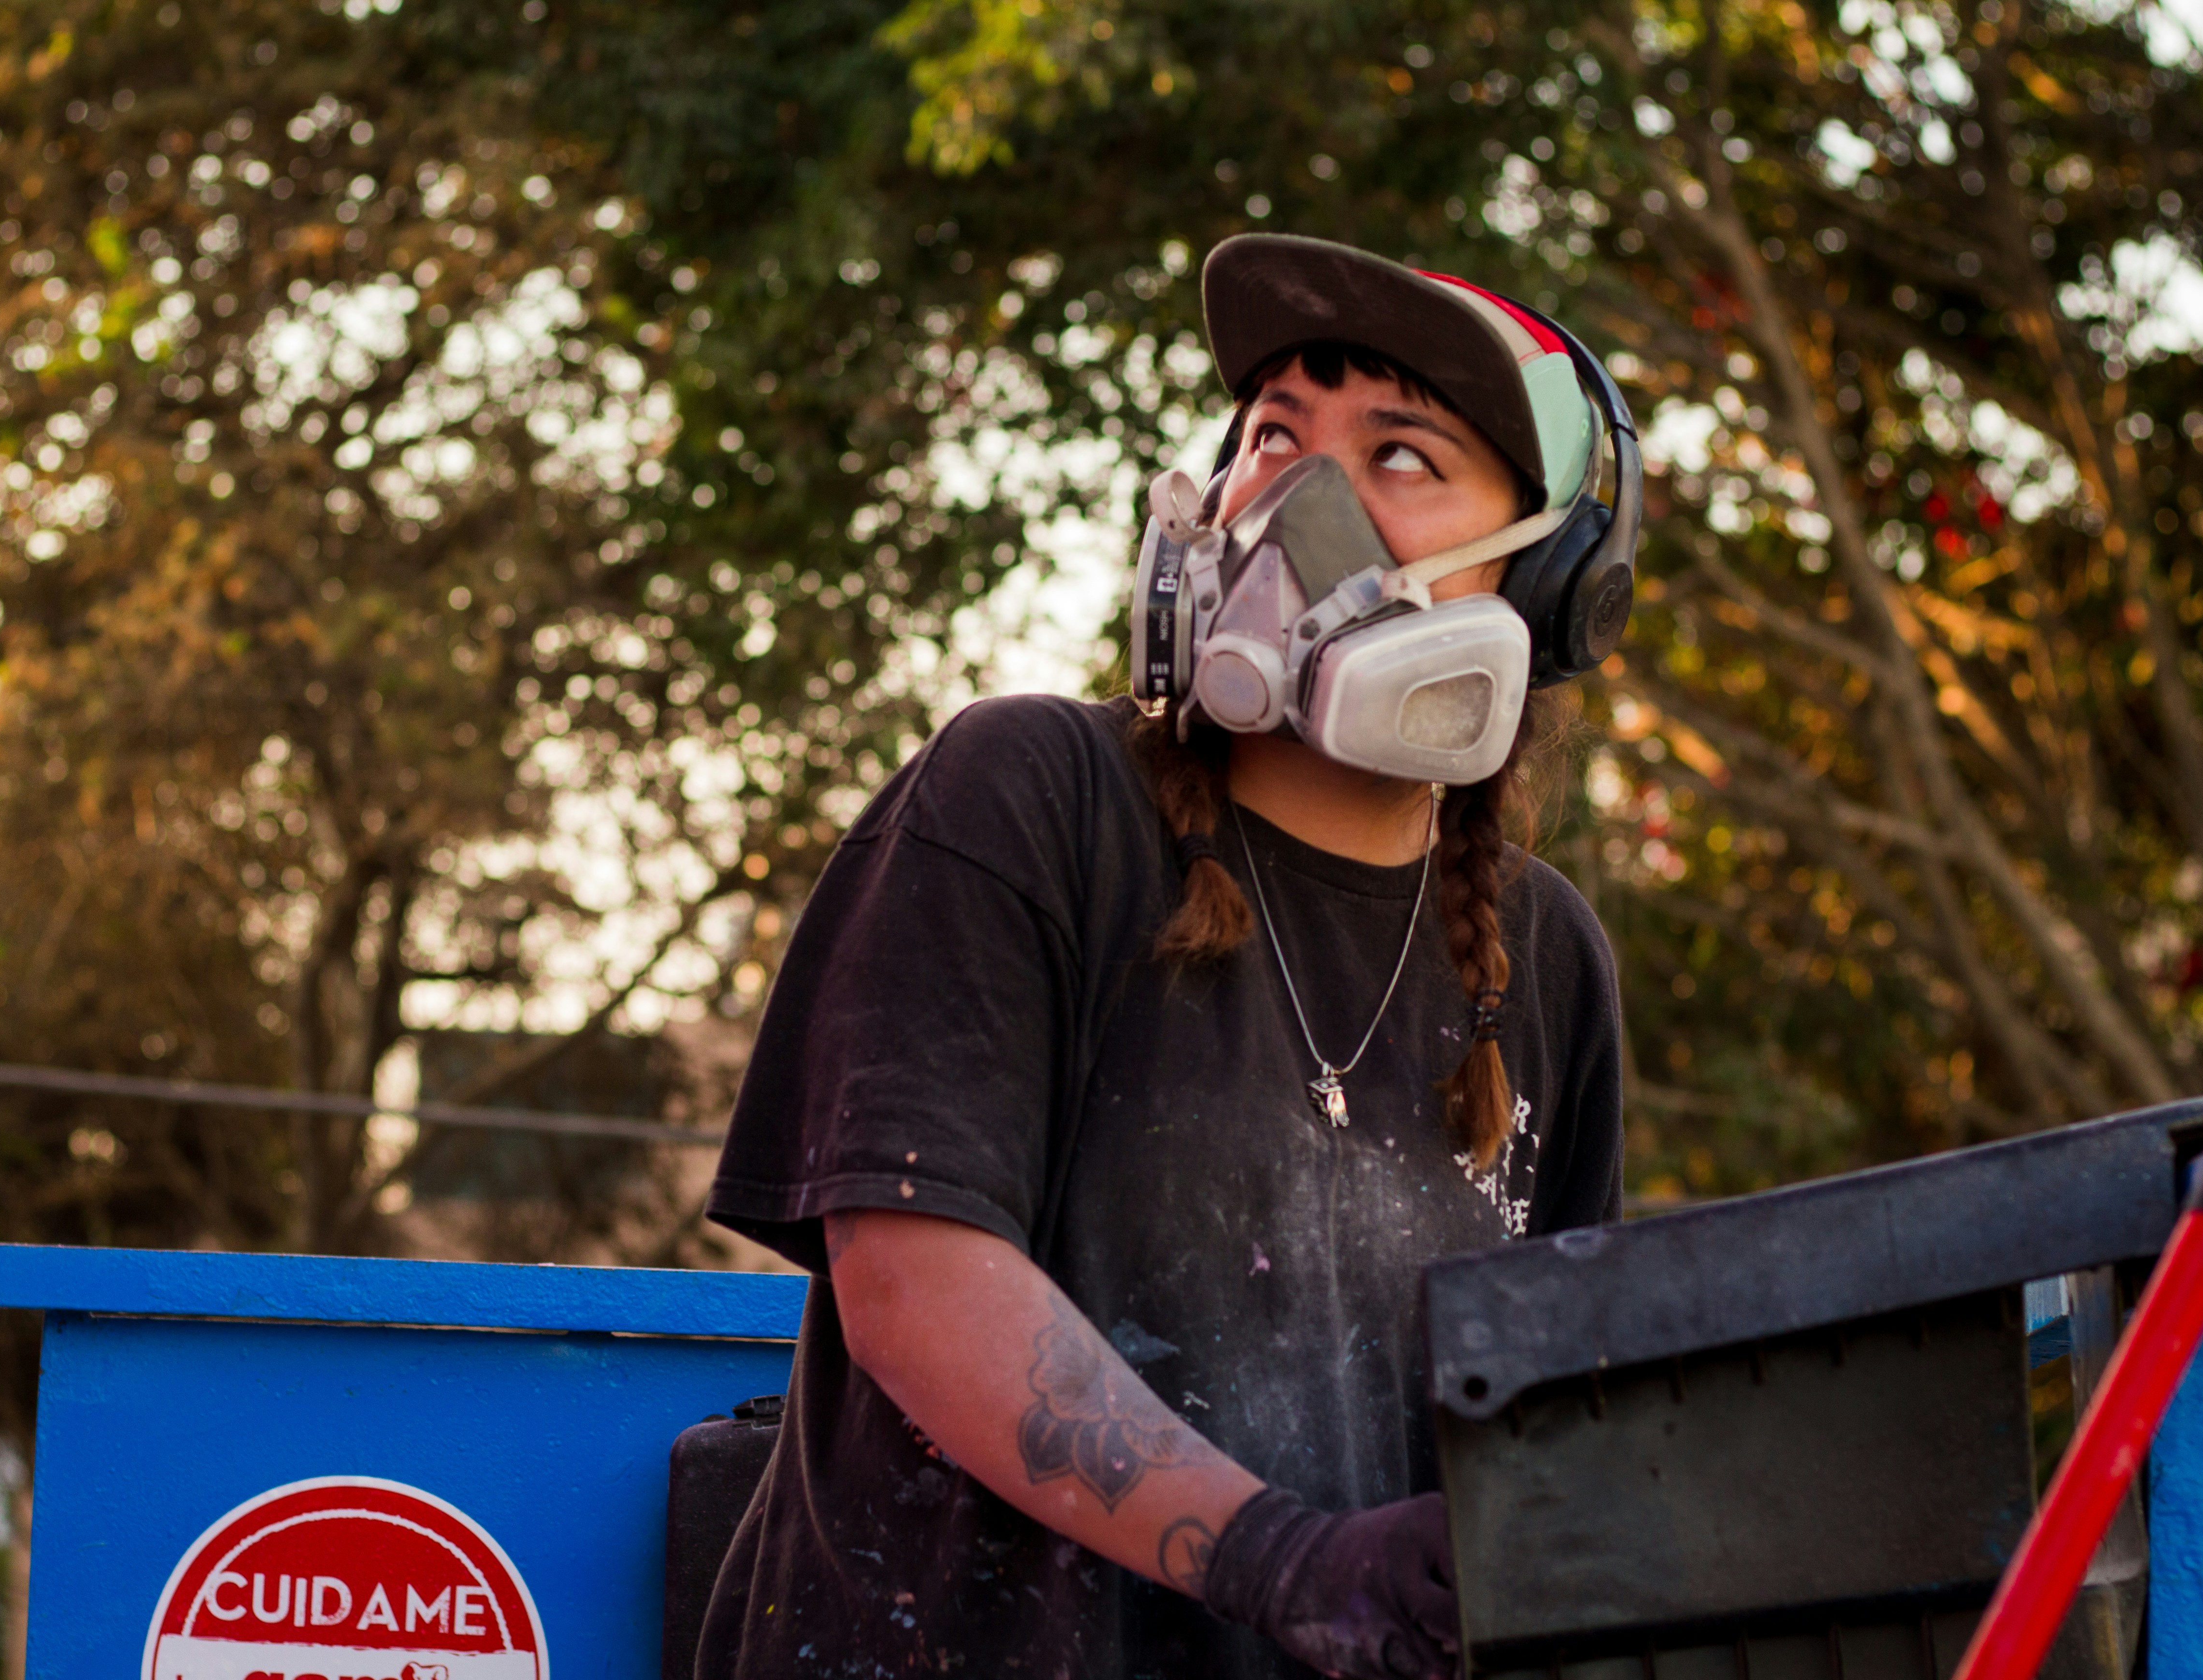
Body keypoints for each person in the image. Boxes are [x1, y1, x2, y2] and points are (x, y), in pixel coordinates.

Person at [694, 233, 1632, 1679]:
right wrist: (1283, 1560)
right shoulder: (1027, 795)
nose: (1298, 498)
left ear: (1547, 583)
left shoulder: (1547, 960)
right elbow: (913, 1279)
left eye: (1400, 455)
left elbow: (1557, 1436)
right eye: (1274, 434)